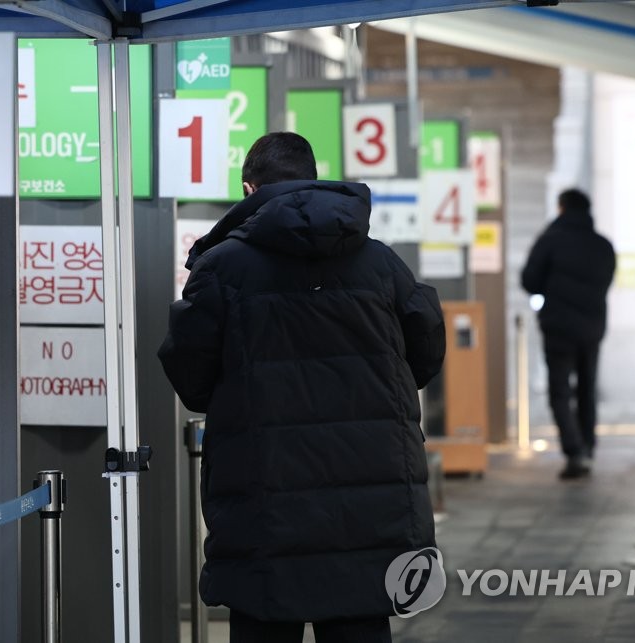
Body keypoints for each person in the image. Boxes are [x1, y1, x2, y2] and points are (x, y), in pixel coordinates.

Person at [158, 132, 445, 643]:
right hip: (369, 497)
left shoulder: (222, 268)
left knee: (265, 618)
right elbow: (425, 349)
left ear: (249, 188)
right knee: (360, 621)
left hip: (265, 496)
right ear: (313, 178)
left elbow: (192, 377)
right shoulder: (381, 263)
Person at [521, 188, 616, 480]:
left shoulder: (550, 240)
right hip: (592, 329)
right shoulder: (602, 245)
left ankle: (574, 451)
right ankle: (587, 447)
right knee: (587, 388)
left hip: (559, 328)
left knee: (559, 392)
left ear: (561, 208)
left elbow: (529, 280)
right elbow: (607, 280)